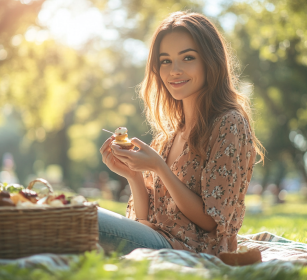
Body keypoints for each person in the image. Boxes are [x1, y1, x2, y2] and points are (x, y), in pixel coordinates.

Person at [99, 11, 264, 256]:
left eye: (187, 58)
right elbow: (145, 218)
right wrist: (133, 176)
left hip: (194, 250)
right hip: (155, 239)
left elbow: (211, 221)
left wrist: (158, 167)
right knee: (71, 211)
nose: (174, 70)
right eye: (165, 61)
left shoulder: (229, 124)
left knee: (84, 218)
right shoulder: (169, 133)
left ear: (211, 61)